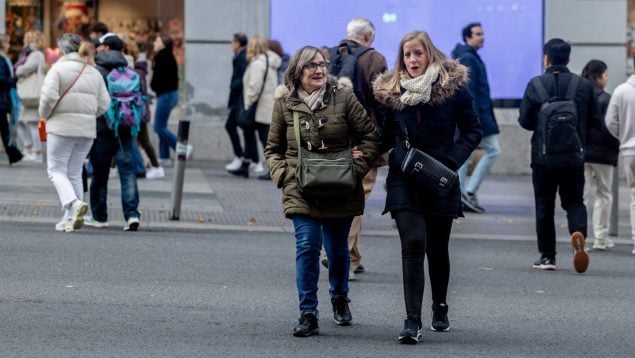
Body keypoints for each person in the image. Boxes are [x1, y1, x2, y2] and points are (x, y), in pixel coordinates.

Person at [373, 30, 481, 344]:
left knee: (437, 247)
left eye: (418, 53)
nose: (412, 60)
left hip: (440, 177)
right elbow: (385, 137)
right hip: (404, 177)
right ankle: (411, 321)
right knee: (413, 244)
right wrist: (359, 152)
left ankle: (440, 304)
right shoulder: (392, 93)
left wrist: (451, 162)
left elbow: (474, 130)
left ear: (429, 54)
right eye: (407, 55)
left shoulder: (453, 88)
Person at [264, 46, 380, 337]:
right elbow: (273, 149)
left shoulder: (344, 97)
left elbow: (369, 137)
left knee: (337, 249)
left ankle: (339, 297)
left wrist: (357, 167)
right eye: (311, 66)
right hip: (301, 187)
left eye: (322, 64)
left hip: (340, 185)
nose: (319, 70)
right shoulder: (284, 103)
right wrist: (284, 175)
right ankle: (308, 312)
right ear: (297, 71)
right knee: (307, 245)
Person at [518, 38, 600, 272]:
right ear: (569, 59)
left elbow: (524, 122)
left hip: (542, 158)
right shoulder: (582, 85)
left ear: (546, 58)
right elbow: (595, 121)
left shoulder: (536, 84)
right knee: (574, 201)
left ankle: (547, 257)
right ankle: (578, 233)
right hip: (573, 157)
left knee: (544, 205)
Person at [322, 17, 388, 280]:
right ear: (369, 37)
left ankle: (353, 256)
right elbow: (381, 101)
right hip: (362, 137)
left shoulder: (325, 54)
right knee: (357, 194)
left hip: (330, 135)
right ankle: (344, 256)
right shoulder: (375, 59)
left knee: (336, 190)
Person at [38, 33, 110, 232]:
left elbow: (47, 98)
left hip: (60, 128)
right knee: (75, 171)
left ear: (62, 50)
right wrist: (88, 115)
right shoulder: (93, 71)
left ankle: (73, 204)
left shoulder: (58, 69)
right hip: (86, 130)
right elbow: (105, 103)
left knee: (55, 170)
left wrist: (45, 115)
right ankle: (71, 217)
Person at [88, 34, 141, 231]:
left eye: (100, 45)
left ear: (106, 47)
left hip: (102, 129)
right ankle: (132, 215)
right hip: (125, 128)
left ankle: (100, 217)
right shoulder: (128, 69)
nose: (98, 48)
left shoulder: (96, 70)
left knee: (100, 175)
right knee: (127, 172)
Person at [452, 22, 501, 213]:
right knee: (492, 150)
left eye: (482, 33)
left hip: (477, 115)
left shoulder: (469, 56)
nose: (482, 37)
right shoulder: (468, 58)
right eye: (478, 34)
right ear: (468, 37)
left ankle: (461, 192)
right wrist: (474, 121)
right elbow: (470, 92)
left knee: (467, 156)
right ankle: (466, 191)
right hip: (478, 116)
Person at [228, 36, 281, 179]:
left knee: (264, 139)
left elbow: (254, 87)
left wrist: (248, 103)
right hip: (264, 106)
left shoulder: (258, 63)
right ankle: (246, 165)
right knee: (250, 134)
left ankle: (273, 170)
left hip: (258, 108)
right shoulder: (268, 61)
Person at [581, 60, 619, 250]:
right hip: (603, 153)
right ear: (598, 77)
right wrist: (616, 146)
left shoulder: (580, 95)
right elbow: (610, 127)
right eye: (605, 75)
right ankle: (601, 237)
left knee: (581, 196)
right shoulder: (606, 98)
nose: (607, 78)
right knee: (604, 194)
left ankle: (580, 236)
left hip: (581, 152)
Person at [123, 36, 164, 179]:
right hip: (137, 112)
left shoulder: (136, 72)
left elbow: (139, 93)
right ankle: (153, 165)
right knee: (141, 141)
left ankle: (153, 166)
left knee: (140, 141)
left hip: (137, 112)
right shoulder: (138, 70)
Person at [605, 58, 635, 255]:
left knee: (634, 195)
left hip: (629, 150)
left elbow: (610, 122)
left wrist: (623, 138)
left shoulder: (621, 91)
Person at [150, 34, 190, 167]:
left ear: (163, 44)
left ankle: (182, 148)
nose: (155, 42)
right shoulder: (166, 56)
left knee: (158, 127)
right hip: (168, 94)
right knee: (162, 126)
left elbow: (158, 81)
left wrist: (155, 89)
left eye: (157, 40)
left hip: (167, 95)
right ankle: (164, 157)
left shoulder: (162, 57)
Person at [15, 30, 46, 163]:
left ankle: (36, 152)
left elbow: (26, 69)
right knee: (23, 121)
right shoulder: (34, 54)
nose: (23, 41)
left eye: (25, 38)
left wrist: (17, 70)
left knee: (33, 123)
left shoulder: (34, 54)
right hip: (29, 94)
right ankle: (29, 149)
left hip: (31, 94)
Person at [224, 33, 249, 172]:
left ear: (238, 43)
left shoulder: (242, 57)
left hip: (240, 99)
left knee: (230, 126)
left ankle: (240, 156)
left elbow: (243, 77)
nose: (231, 45)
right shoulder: (239, 56)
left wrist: (234, 85)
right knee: (240, 128)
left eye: (232, 42)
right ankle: (245, 158)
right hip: (238, 98)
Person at [0, 34, 24, 165]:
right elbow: (1, 78)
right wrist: (13, 80)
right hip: (1, 99)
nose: (9, 46)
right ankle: (13, 153)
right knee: (4, 128)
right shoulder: (1, 59)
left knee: (5, 128)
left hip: (3, 99)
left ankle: (13, 153)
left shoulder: (4, 59)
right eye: (7, 43)